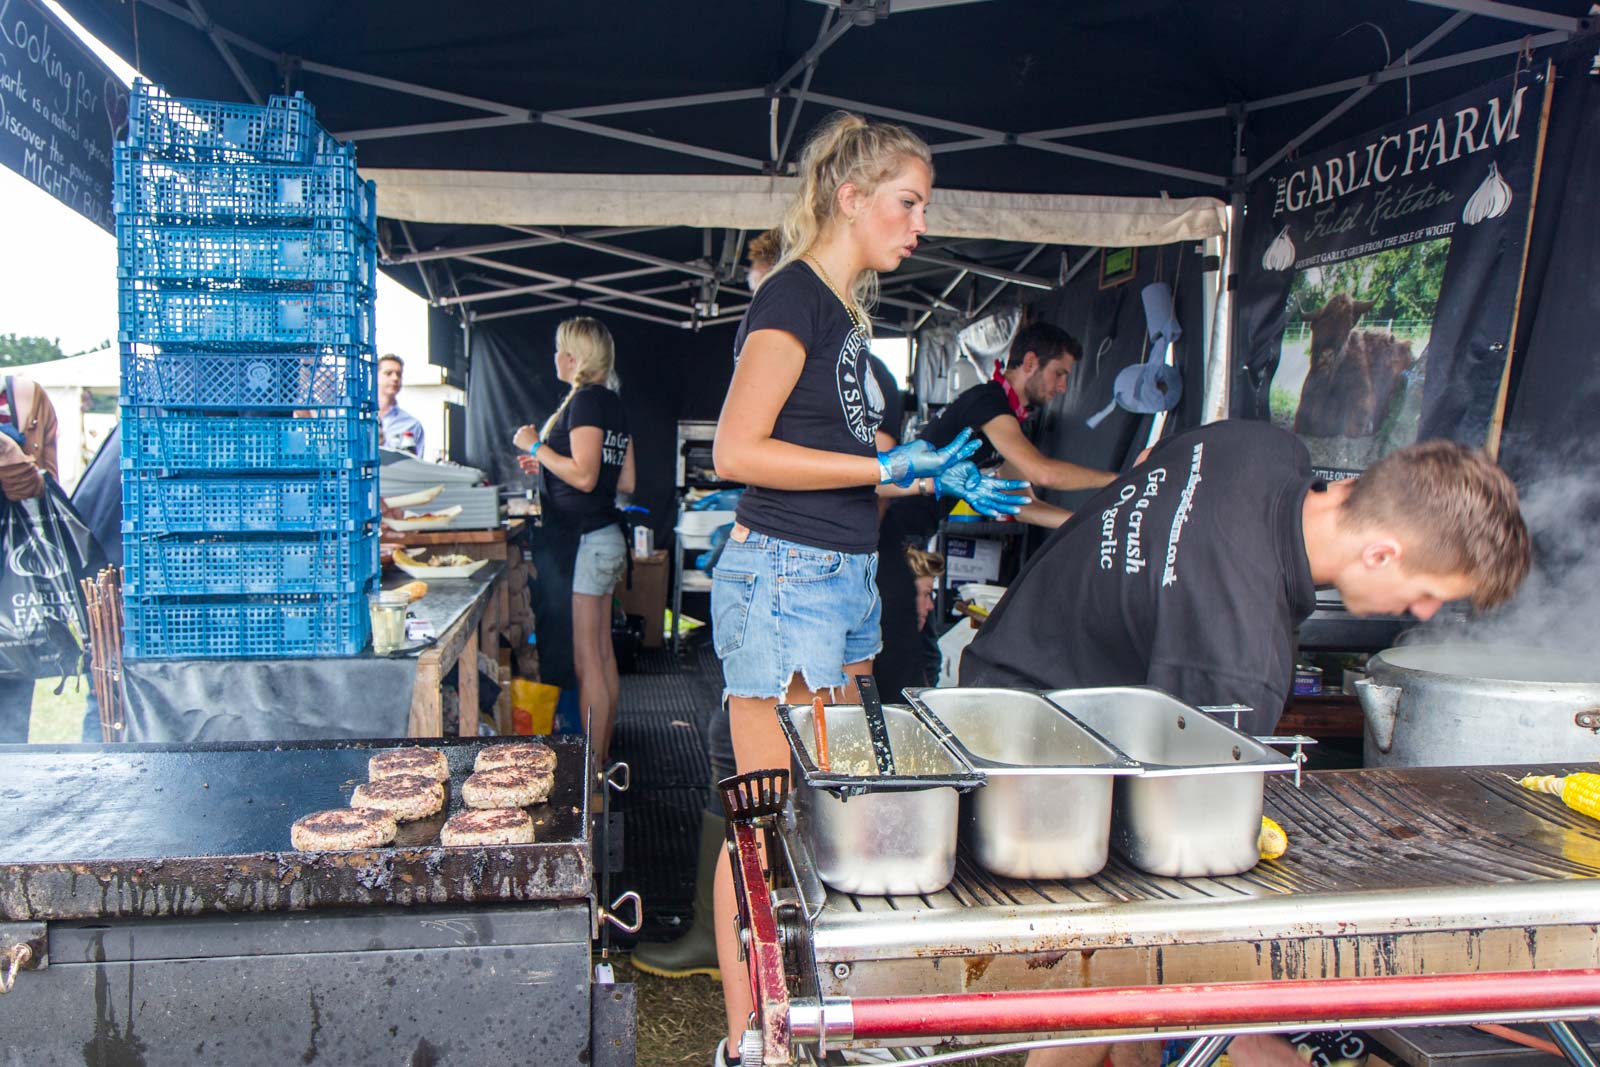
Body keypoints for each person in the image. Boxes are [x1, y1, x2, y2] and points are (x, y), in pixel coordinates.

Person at [959, 422, 1531, 1067]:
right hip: (1036, 735)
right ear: (1381, 553)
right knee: (1110, 950)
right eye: (1428, 594)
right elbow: (1186, 848)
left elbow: (1150, 462)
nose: (1423, 614)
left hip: (1014, 660)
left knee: (1122, 974)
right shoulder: (1237, 657)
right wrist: (1245, 1029)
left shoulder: (1257, 445)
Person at [705, 112, 1026, 1067]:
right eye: (908, 202)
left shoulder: (849, 318)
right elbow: (737, 453)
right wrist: (879, 467)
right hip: (785, 579)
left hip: (841, 580)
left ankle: (814, 1019)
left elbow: (841, 460)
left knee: (826, 810)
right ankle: (747, 1040)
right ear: (851, 197)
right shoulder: (793, 300)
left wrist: (918, 472)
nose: (919, 225)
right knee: (764, 826)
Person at [513, 318, 636, 763]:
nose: (554, 358)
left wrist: (536, 447)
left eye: (558, 350)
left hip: (586, 540)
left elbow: (585, 477)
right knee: (603, 657)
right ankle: (603, 763)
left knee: (589, 663)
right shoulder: (613, 404)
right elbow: (626, 479)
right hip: (604, 536)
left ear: (573, 358)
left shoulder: (585, 402)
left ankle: (594, 771)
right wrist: (551, 466)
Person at [0, 374, 58, 742]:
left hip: (11, 584)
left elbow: (40, 486)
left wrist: (7, 451)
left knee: (9, 725)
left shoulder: (22, 398)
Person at [378, 354, 425, 455]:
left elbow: (416, 465)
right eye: (388, 373)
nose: (395, 378)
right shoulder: (358, 418)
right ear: (375, 376)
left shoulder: (412, 425)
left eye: (399, 374)